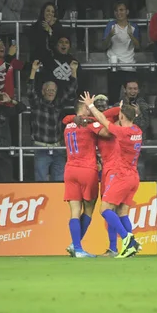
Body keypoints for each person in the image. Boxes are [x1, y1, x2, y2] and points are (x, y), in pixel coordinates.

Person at [80, 92, 142, 259]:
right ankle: (132, 245)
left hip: (119, 174)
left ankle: (127, 240)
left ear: (121, 116)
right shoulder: (137, 130)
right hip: (134, 176)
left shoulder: (121, 132)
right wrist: (121, 110)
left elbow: (103, 122)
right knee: (122, 213)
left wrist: (91, 106)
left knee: (105, 209)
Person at [27, 59, 78, 182]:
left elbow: (71, 90)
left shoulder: (58, 104)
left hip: (57, 148)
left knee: (60, 181)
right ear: (43, 91)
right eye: (48, 90)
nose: (51, 92)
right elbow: (30, 90)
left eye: (53, 90)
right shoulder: (36, 104)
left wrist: (73, 71)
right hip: (41, 148)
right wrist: (33, 70)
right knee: (41, 180)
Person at [63, 101, 100, 258]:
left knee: (74, 211)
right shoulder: (89, 125)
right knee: (89, 209)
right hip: (87, 170)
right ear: (83, 109)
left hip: (70, 170)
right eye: (89, 107)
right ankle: (76, 246)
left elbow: (66, 119)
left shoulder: (68, 126)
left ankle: (76, 247)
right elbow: (107, 128)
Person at [103, 1, 141, 104]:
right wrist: (110, 35)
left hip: (129, 65)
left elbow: (138, 46)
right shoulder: (110, 25)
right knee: (113, 98)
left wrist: (131, 35)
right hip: (114, 66)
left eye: (121, 10)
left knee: (132, 99)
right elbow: (104, 46)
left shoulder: (133, 26)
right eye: (116, 10)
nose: (119, 13)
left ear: (127, 12)